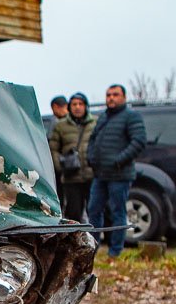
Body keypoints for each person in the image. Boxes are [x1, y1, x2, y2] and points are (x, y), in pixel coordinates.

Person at [86, 84, 146, 257]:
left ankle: (115, 251)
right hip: (100, 174)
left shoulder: (131, 116)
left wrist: (119, 160)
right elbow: (92, 139)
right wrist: (91, 157)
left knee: (117, 211)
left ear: (124, 97)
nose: (111, 98)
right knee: (93, 210)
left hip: (120, 175)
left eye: (115, 94)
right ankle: (91, 249)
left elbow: (139, 141)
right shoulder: (104, 117)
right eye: (108, 95)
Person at [48, 92, 95, 222]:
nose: (77, 107)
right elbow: (53, 149)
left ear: (86, 106)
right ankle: (76, 234)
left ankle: (97, 234)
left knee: (95, 210)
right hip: (71, 176)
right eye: (74, 104)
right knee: (74, 212)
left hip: (92, 175)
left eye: (80, 104)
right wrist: (60, 167)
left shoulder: (95, 123)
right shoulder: (61, 125)